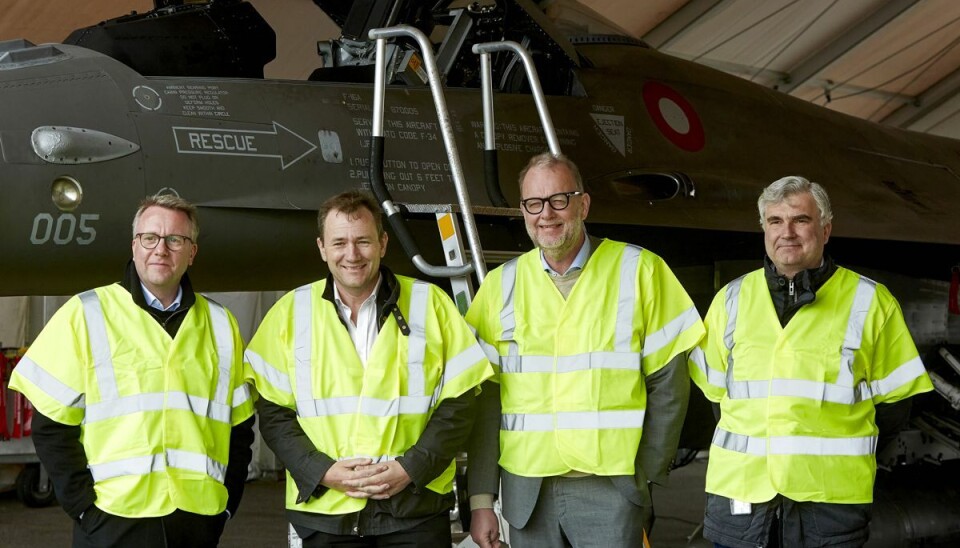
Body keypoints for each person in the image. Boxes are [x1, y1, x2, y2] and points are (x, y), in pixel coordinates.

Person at [466, 152, 704, 548]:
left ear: (584, 204)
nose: (547, 214)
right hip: (528, 491)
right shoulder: (498, 286)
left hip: (611, 488)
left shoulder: (640, 270)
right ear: (523, 211)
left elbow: (670, 384)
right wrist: (481, 498)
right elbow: (486, 401)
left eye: (560, 199)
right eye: (534, 203)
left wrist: (644, 473)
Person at [688, 176, 934, 547]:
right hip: (741, 497)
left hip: (829, 504)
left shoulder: (871, 302)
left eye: (800, 220)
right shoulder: (730, 300)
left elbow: (895, 408)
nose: (787, 232)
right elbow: (715, 396)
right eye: (775, 221)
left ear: (826, 228)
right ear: (764, 228)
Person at [244, 190, 493, 546]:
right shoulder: (289, 312)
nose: (352, 254)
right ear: (322, 248)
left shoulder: (431, 305)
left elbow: (460, 404)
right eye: (339, 242)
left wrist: (411, 469)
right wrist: (322, 471)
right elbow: (272, 412)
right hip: (326, 514)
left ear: (383, 242)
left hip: (414, 512)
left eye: (363, 241)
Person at [9, 195, 255, 548]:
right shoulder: (85, 313)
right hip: (113, 521)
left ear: (192, 252)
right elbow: (50, 427)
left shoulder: (221, 324)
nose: (161, 249)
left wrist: (226, 507)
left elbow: (240, 429)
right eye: (149, 238)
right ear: (134, 246)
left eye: (175, 240)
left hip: (198, 521)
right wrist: (84, 509)